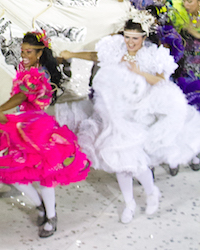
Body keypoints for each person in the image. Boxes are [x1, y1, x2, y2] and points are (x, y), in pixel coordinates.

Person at [63, 17, 200, 222]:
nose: (130, 42)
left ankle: (151, 191)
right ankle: (130, 204)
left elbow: (160, 81)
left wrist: (140, 72)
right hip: (116, 114)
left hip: (140, 113)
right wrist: (72, 54)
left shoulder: (152, 55)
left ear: (143, 38)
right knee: (120, 161)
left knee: (134, 161)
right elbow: (96, 55)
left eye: (135, 38)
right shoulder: (116, 50)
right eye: (127, 37)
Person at [0, 32, 89, 237]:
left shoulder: (37, 73)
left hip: (37, 126)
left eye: (29, 52)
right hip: (19, 125)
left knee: (46, 174)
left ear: (40, 52)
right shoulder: (27, 69)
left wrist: (1, 109)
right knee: (11, 170)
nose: (24, 55)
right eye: (23, 51)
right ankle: (40, 204)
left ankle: (51, 216)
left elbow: (23, 94)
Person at [169, 0, 200, 114]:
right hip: (183, 67)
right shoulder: (178, 14)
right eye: (183, 1)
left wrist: (190, 30)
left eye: (190, 1)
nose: (185, 5)